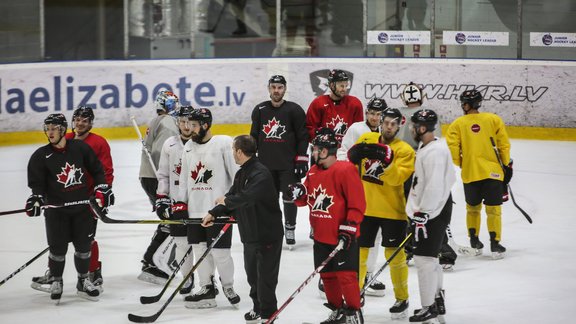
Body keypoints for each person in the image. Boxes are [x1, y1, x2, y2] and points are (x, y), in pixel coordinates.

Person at [26, 113, 114, 303]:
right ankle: (56, 280)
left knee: (83, 247)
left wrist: (102, 189)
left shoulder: (80, 148)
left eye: (54, 128)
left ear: (63, 129)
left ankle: (83, 281)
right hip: (56, 211)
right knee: (57, 249)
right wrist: (37, 198)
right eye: (47, 128)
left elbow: (98, 170)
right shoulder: (40, 156)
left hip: (81, 208)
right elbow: (37, 185)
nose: (50, 132)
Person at [201, 135, 284, 324]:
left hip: (267, 236)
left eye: (233, 150)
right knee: (253, 277)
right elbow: (232, 195)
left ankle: (268, 314)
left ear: (239, 151)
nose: (232, 154)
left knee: (265, 279)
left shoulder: (260, 173)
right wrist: (214, 213)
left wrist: (227, 201)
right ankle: (258, 308)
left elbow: (246, 197)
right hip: (250, 235)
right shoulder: (242, 173)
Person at [289, 128, 366, 323]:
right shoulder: (313, 172)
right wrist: (298, 194)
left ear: (324, 151)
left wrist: (349, 228)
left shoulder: (345, 170)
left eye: (316, 149)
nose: (313, 153)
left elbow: (358, 204)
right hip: (320, 236)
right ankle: (338, 311)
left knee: (346, 277)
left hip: (342, 238)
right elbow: (306, 200)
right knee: (328, 276)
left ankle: (353, 314)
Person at [348, 107, 415, 319]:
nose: (388, 126)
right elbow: (354, 163)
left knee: (395, 257)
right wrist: (353, 156)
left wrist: (387, 161)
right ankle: (354, 296)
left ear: (399, 125)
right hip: (366, 208)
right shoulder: (368, 137)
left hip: (393, 211)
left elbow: (396, 179)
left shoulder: (405, 150)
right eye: (386, 122)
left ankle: (402, 298)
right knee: (360, 254)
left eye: (393, 124)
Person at [173, 108, 240, 309]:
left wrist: (232, 202)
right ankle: (206, 288)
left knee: (220, 253)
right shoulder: (188, 148)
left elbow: (237, 176)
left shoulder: (224, 144)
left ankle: (228, 286)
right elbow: (184, 179)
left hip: (218, 210)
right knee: (199, 250)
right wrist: (181, 204)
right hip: (195, 211)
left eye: (193, 125)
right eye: (187, 124)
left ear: (205, 125)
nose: (188, 128)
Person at [445, 89, 511, 259]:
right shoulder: (493, 120)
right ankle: (495, 244)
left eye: (464, 103)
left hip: (470, 173)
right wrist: (505, 165)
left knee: (472, 209)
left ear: (468, 104)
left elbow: (453, 152)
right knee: (494, 210)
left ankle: (474, 240)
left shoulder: (457, 124)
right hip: (493, 173)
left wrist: (465, 164)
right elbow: (503, 145)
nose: (462, 106)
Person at [398, 82, 456, 270]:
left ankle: (408, 249)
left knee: (410, 208)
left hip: (406, 168)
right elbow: (434, 142)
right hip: (425, 167)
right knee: (433, 211)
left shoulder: (399, 114)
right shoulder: (429, 116)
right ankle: (443, 249)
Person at [405, 109, 455, 323]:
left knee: (424, 260)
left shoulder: (435, 152)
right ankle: (437, 297)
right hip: (434, 210)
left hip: (431, 212)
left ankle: (428, 307)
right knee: (431, 259)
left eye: (414, 125)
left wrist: (423, 213)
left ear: (422, 128)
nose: (411, 129)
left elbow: (434, 187)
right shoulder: (430, 147)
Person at [336, 97, 387, 298]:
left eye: (378, 114)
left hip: (378, 193)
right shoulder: (357, 129)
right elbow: (342, 152)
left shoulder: (387, 132)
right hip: (356, 192)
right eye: (371, 113)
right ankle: (341, 275)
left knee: (375, 236)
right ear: (366, 113)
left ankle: (368, 275)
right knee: (351, 234)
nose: (374, 117)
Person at [250, 75, 308, 249]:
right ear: (268, 88)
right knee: (269, 200)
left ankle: (289, 228)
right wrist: (251, 160)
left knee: (290, 198)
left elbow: (302, 136)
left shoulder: (294, 110)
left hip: (288, 165)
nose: (276, 90)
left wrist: (301, 159)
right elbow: (254, 136)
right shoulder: (260, 110)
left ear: (285, 89)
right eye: (273, 87)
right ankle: (271, 230)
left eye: (280, 87)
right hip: (265, 166)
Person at [137, 89, 180, 284]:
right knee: (172, 220)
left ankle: (151, 260)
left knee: (168, 219)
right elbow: (164, 153)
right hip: (157, 177)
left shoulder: (157, 121)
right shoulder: (169, 122)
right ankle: (154, 264)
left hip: (148, 176)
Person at [155, 105, 197, 296]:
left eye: (189, 121)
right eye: (182, 121)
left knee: (202, 245)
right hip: (177, 203)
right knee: (181, 243)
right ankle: (187, 279)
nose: (186, 126)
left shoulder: (202, 143)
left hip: (199, 203)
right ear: (177, 122)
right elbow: (163, 174)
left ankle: (208, 281)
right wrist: (162, 197)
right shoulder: (169, 144)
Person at [305, 69, 364, 144]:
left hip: (346, 150)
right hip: (324, 150)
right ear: (331, 85)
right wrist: (318, 132)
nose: (344, 89)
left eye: (346, 85)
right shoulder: (318, 103)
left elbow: (359, 130)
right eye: (341, 86)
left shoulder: (355, 104)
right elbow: (309, 129)